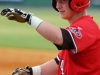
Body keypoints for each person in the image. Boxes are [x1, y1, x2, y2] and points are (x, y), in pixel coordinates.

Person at [1, 0, 100, 75]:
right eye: (56, 1)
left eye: (62, 1)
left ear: (77, 2)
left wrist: (29, 18)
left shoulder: (87, 26)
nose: (58, 6)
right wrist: (31, 72)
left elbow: (59, 38)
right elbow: (60, 62)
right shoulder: (77, 28)